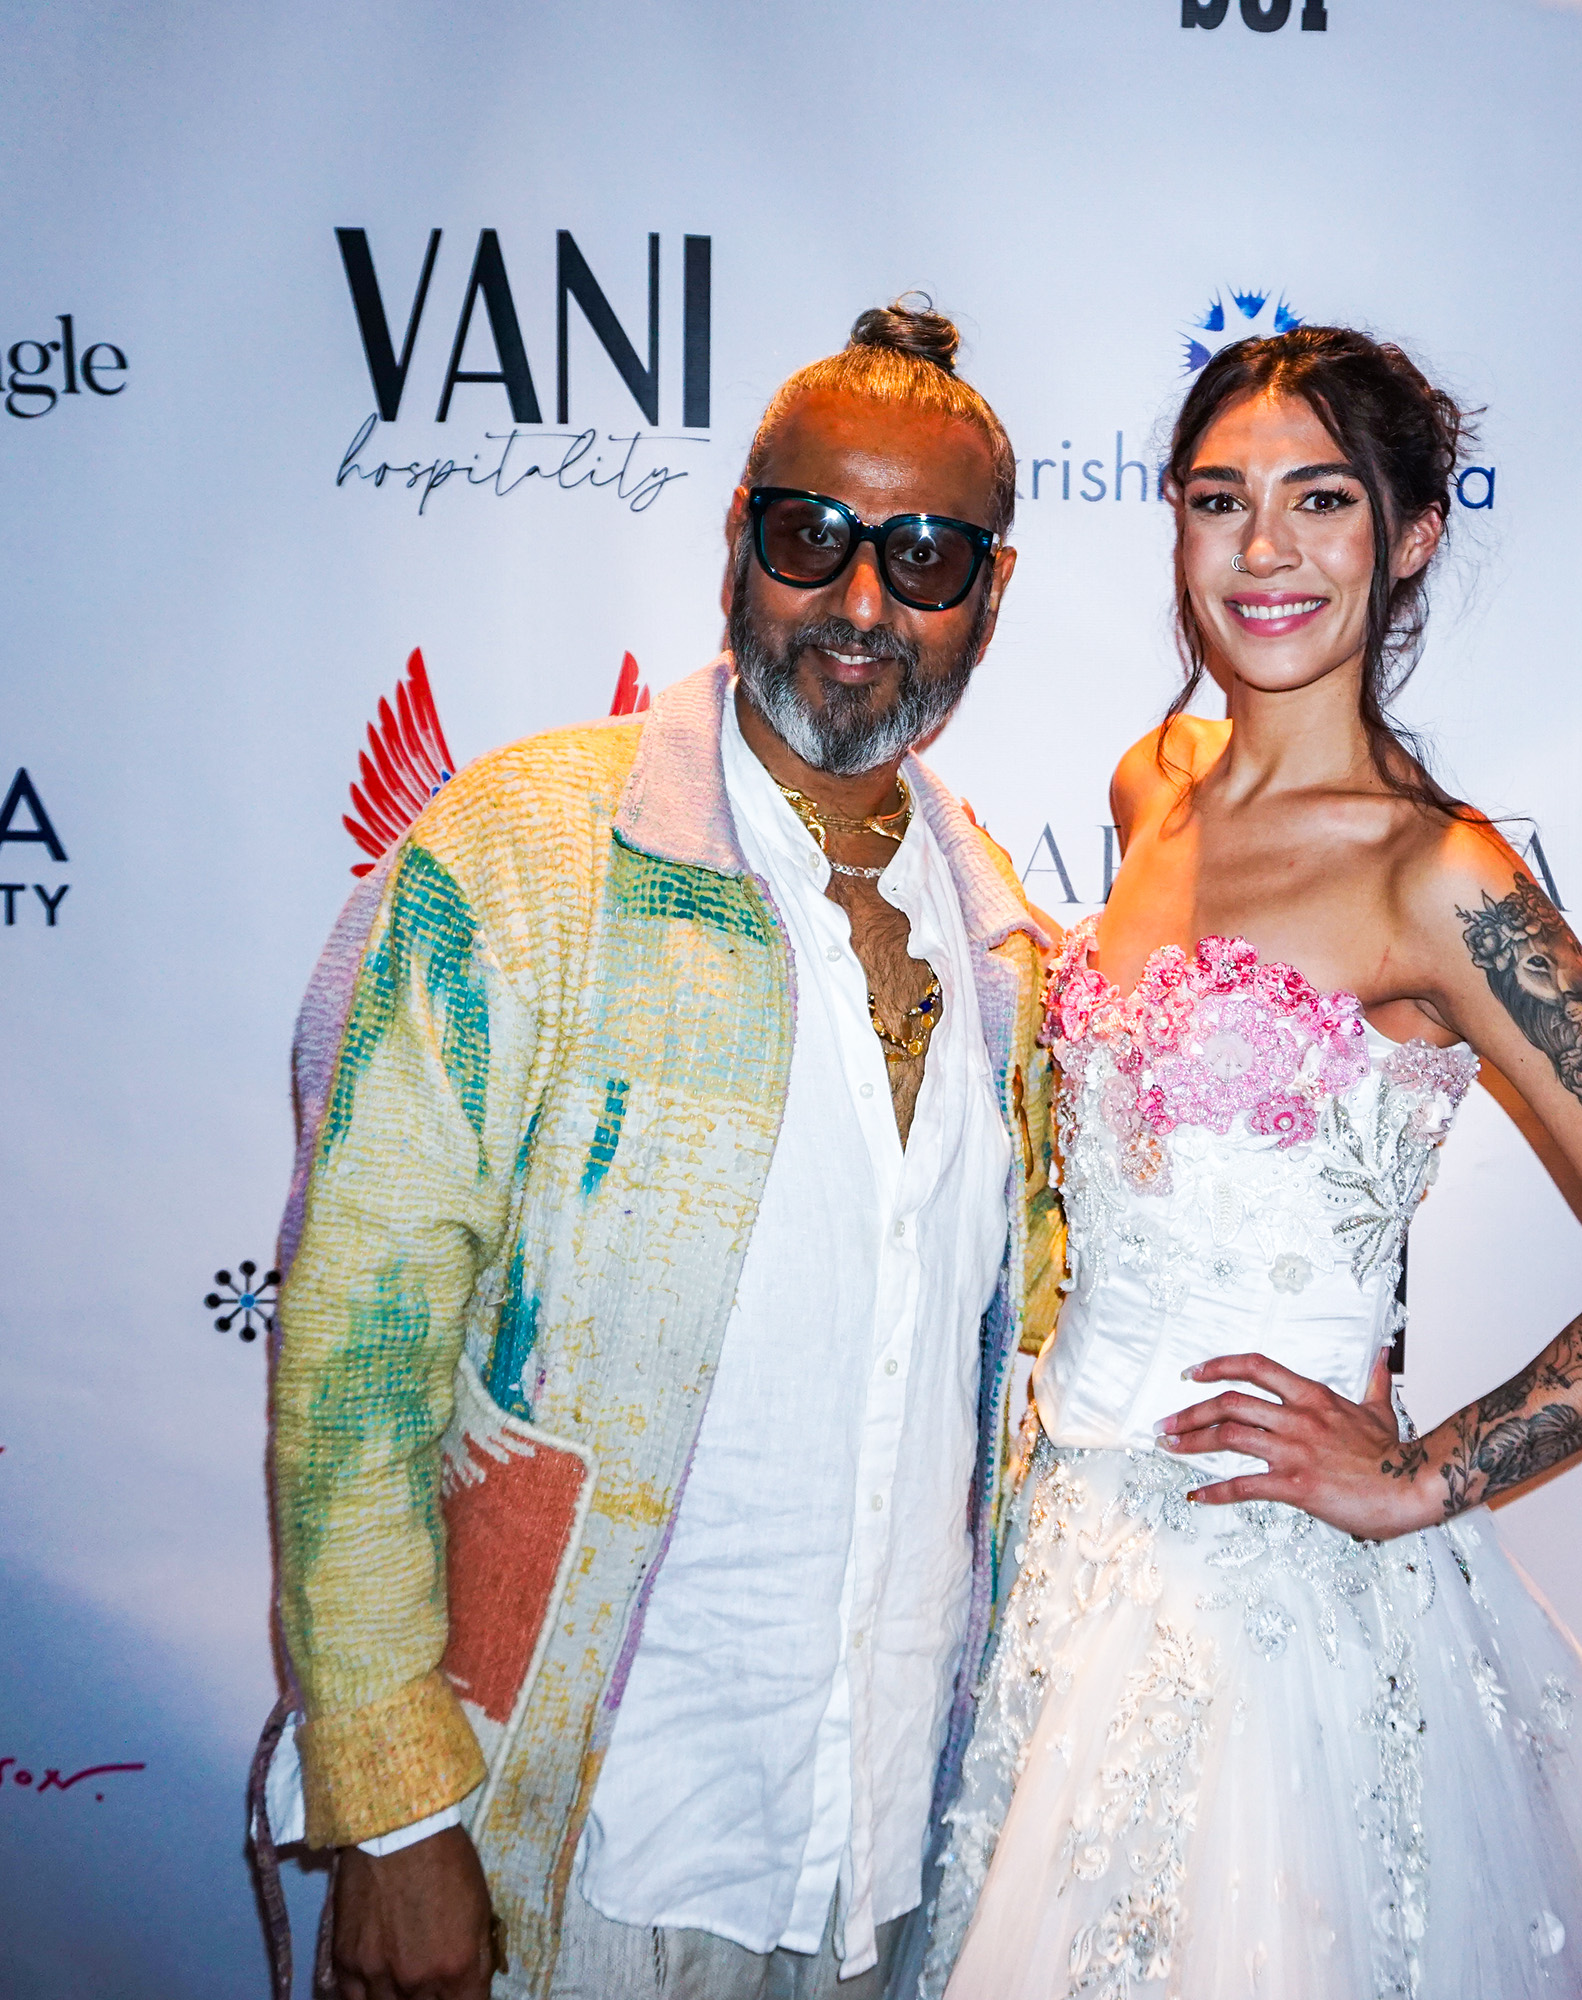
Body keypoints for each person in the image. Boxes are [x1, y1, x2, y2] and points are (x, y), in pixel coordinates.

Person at [920, 326, 1582, 1998]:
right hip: (1061, 1559)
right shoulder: (1155, 785)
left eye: (1322, 501)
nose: (1263, 553)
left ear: (1411, 534)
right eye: (1221, 500)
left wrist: (1425, 1476)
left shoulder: (1442, 878)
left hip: (1264, 1604)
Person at [256, 299, 1063, 2000]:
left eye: (923, 557)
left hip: (881, 1856)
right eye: (810, 537)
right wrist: (399, 1820)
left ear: (989, 598)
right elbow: (358, 1343)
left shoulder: (1008, 956)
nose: (859, 603)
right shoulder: (533, 851)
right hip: (573, 1848)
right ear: (736, 550)